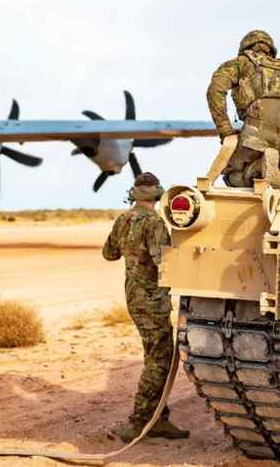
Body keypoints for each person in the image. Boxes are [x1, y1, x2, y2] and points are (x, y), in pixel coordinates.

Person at [102, 173, 189, 443]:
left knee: (156, 354)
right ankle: (140, 421)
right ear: (157, 196)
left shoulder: (123, 220)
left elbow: (109, 253)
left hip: (134, 296)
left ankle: (159, 419)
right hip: (151, 300)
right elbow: (162, 260)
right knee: (159, 359)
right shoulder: (154, 223)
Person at [207, 30, 280, 187]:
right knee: (279, 155)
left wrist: (225, 130)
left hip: (257, 131)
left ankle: (258, 168)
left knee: (233, 175)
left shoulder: (241, 62)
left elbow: (215, 90)